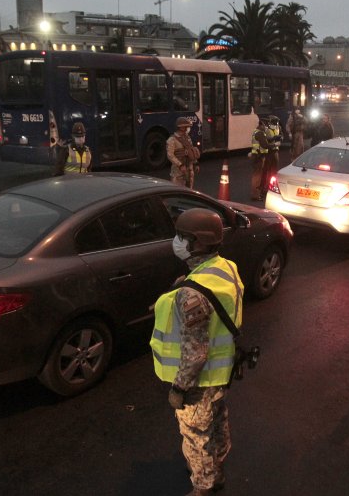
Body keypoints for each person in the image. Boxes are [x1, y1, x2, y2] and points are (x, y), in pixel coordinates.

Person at [150, 208, 244, 496]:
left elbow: (195, 354)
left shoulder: (193, 294)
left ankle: (204, 485)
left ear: (197, 243)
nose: (176, 241)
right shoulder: (225, 267)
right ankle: (216, 469)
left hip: (198, 382)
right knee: (217, 421)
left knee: (195, 435)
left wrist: (179, 389)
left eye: (182, 236)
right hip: (222, 372)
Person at [167, 117, 200, 188]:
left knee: (189, 191)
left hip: (189, 169)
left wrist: (195, 163)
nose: (187, 128)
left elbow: (191, 151)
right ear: (181, 127)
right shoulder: (172, 140)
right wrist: (180, 165)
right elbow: (170, 155)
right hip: (178, 172)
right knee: (177, 191)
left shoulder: (187, 138)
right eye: (186, 127)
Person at [248, 117, 271, 201]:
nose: (265, 127)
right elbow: (265, 145)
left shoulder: (256, 132)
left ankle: (256, 194)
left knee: (256, 176)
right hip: (258, 157)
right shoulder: (260, 133)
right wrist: (273, 145)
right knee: (257, 177)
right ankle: (255, 195)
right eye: (264, 125)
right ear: (260, 124)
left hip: (256, 156)